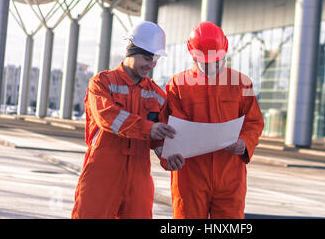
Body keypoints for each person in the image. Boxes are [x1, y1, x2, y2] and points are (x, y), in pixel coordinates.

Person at [71, 21, 179, 219]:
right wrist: (149, 129)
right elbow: (107, 117)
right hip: (103, 170)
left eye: (155, 59)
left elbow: (158, 138)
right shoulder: (102, 83)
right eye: (147, 58)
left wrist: (168, 157)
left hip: (139, 175)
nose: (151, 65)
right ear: (131, 51)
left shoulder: (157, 94)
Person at [159, 21, 264, 219]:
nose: (213, 66)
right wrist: (168, 157)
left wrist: (245, 142)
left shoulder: (241, 83)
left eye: (217, 60)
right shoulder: (177, 85)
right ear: (193, 55)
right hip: (190, 175)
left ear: (225, 51)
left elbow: (254, 122)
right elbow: (171, 129)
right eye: (206, 62)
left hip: (230, 175)